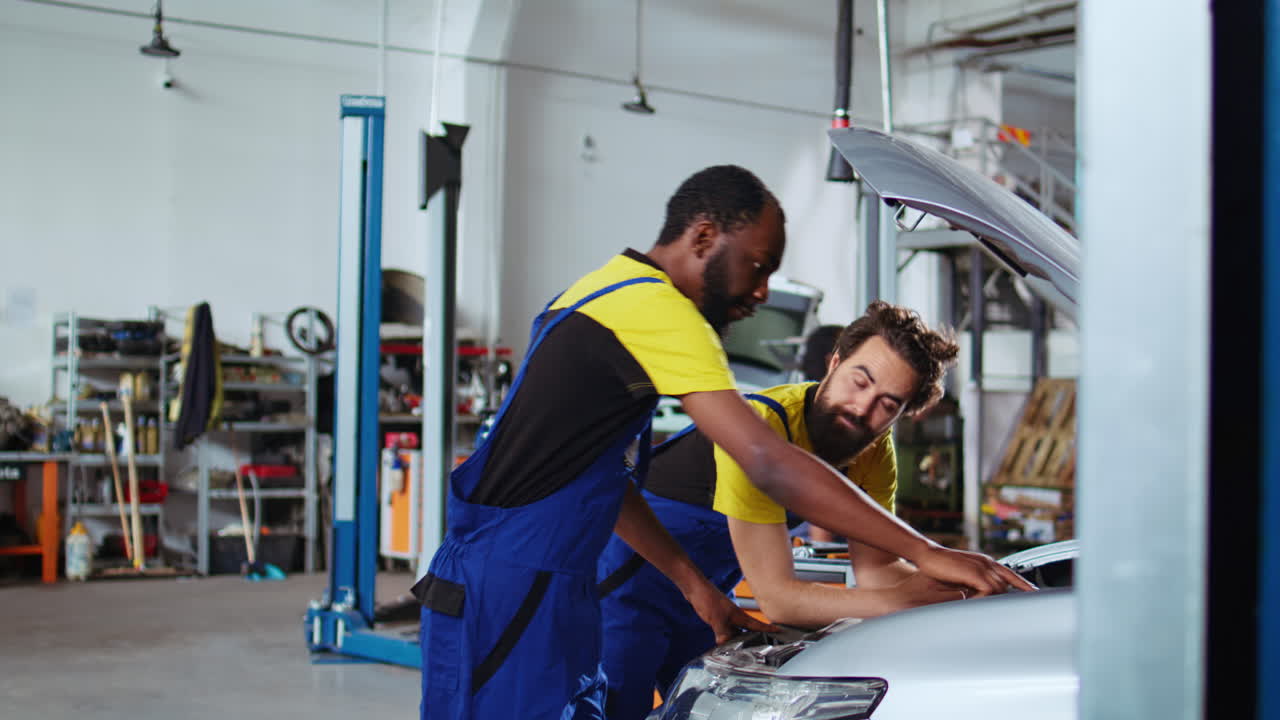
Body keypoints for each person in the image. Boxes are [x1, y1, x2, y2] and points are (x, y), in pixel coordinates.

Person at [415, 165, 1033, 720]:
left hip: (555, 582)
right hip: (512, 583)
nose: (762, 291)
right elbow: (766, 462)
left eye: (889, 404)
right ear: (704, 237)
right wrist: (927, 552)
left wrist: (699, 592)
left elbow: (603, 481)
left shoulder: (609, 291)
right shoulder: (664, 314)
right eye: (757, 266)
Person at [596, 302, 969, 719]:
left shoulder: (873, 450)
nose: (862, 407)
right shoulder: (764, 423)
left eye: (888, 403)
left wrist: (959, 596)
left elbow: (878, 569)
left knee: (696, 712)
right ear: (834, 362)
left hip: (704, 595)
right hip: (625, 584)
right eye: (859, 382)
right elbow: (778, 599)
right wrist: (899, 602)